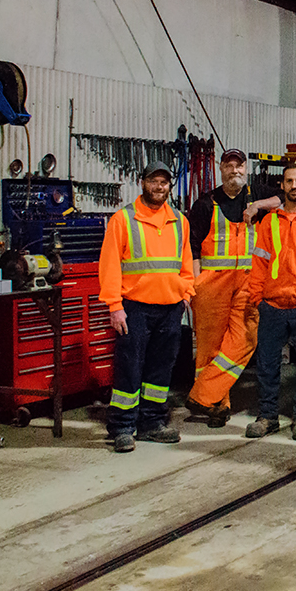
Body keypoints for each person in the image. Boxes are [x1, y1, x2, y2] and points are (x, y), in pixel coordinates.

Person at [98, 161, 194, 453]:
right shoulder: (123, 220)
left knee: (161, 370)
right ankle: (123, 426)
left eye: (164, 182)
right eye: (154, 181)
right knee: (129, 367)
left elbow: (186, 263)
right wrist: (115, 306)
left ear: (169, 186)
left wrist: (186, 292)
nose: (159, 187)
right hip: (134, 307)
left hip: (170, 307)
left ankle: (152, 423)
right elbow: (110, 267)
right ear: (142, 183)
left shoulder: (180, 221)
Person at [184, 148, 278, 428]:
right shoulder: (205, 203)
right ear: (220, 168)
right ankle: (217, 405)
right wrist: (196, 285)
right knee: (209, 346)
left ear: (245, 168)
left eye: (239, 166)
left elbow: (283, 197)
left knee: (246, 339)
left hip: (248, 283)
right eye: (229, 166)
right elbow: (192, 247)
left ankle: (202, 393)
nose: (235, 170)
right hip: (212, 284)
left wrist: (258, 205)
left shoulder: (255, 194)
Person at [244, 164, 296, 441]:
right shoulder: (268, 222)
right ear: (281, 186)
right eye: (289, 181)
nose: (294, 185)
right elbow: (259, 262)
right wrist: (257, 297)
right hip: (273, 304)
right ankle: (267, 416)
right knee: (267, 365)